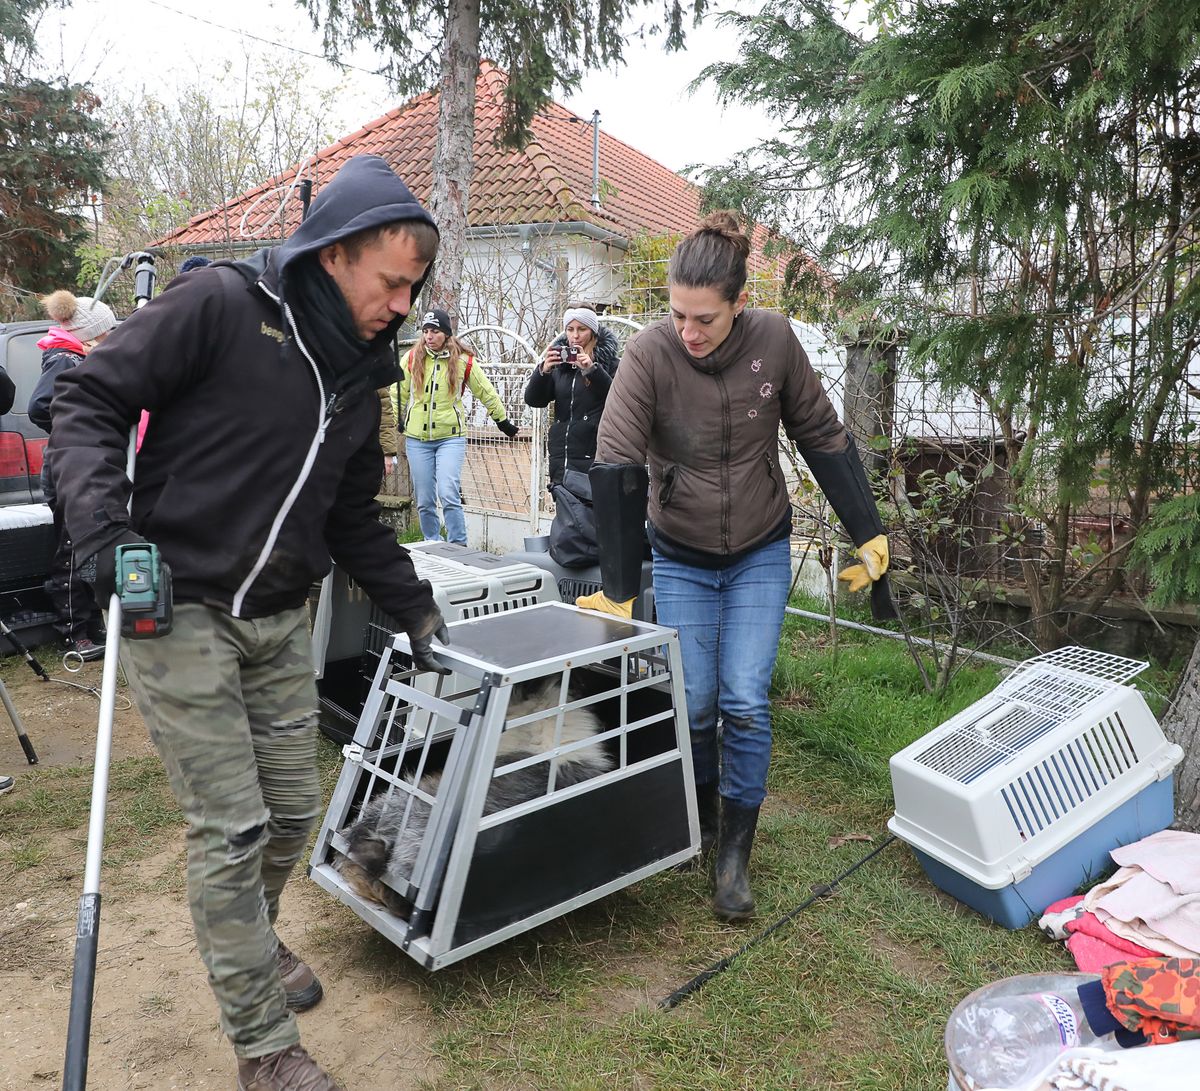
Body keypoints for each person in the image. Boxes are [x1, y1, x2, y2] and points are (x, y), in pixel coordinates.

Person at [47, 154, 454, 1091]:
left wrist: (417, 609)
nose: (402, 302)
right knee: (230, 826)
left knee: (291, 815)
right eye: (392, 281)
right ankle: (264, 1047)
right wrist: (104, 533)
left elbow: (352, 516)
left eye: (412, 287)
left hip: (279, 617)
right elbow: (90, 397)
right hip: (177, 603)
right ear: (336, 252)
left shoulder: (364, 377)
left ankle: (252, 937)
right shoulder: (225, 308)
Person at [579, 211, 894, 923]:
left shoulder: (774, 341)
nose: (688, 331)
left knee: (744, 700)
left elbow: (822, 435)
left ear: (738, 305)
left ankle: (734, 856)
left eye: (705, 319)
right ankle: (702, 821)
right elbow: (617, 461)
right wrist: (622, 586)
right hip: (683, 553)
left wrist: (869, 535)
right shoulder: (650, 355)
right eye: (678, 314)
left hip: (756, 546)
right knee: (693, 705)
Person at [28, 290, 117, 661]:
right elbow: (40, 407)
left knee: (86, 543)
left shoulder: (75, 356)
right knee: (70, 548)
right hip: (68, 465)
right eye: (108, 332)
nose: (112, 338)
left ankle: (89, 625)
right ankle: (74, 633)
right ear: (91, 332)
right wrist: (77, 432)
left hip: (80, 462)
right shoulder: (64, 359)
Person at [395, 307, 519, 545]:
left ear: (446, 334)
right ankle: (431, 541)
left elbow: (486, 392)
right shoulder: (412, 358)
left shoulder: (463, 361)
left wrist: (502, 421)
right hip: (417, 439)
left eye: (435, 331)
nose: (429, 336)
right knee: (424, 499)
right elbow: (396, 390)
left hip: (450, 438)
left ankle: (458, 545)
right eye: (426, 331)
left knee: (448, 493)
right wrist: (398, 419)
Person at [523, 303, 620, 486]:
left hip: (595, 459)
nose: (575, 336)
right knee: (565, 513)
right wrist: (543, 371)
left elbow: (617, 400)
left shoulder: (611, 364)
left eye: (582, 329)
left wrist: (592, 370)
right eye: (570, 329)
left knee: (591, 513)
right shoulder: (561, 367)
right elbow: (534, 400)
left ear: (593, 331)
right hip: (562, 459)